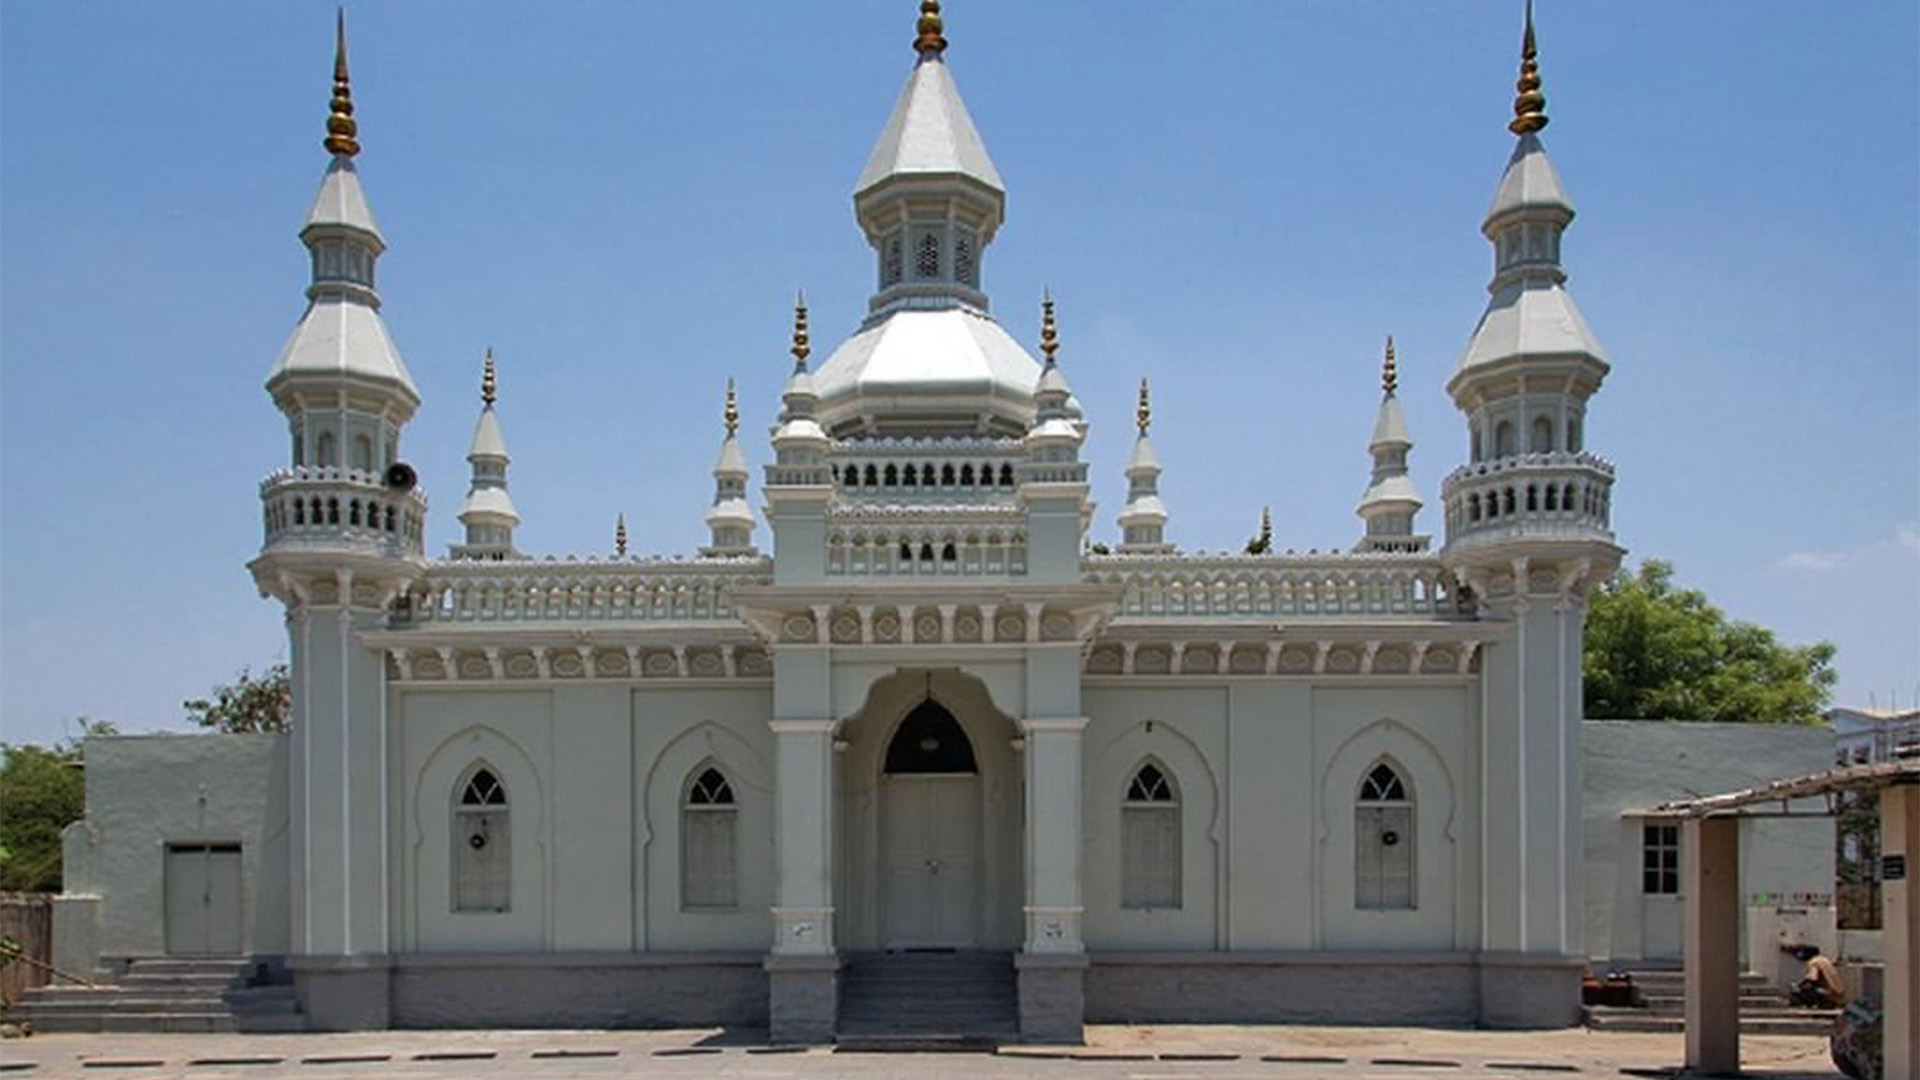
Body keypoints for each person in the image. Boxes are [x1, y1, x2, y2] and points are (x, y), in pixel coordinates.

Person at [1788, 944, 1847, 1008]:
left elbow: (1812, 978)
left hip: (1828, 992)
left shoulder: (1813, 962)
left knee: (1800, 992)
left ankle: (1817, 1004)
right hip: (1838, 991)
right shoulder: (1824, 959)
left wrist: (1799, 986)